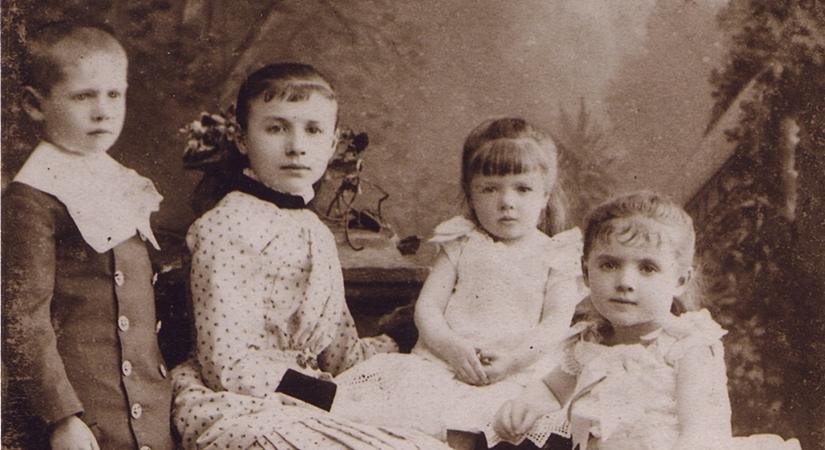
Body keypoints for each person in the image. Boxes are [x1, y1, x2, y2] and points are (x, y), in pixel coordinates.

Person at [170, 62, 449, 450]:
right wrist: (332, 398)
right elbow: (228, 368)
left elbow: (340, 355)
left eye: (313, 130)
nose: (297, 146)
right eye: (276, 127)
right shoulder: (226, 227)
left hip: (303, 397)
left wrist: (406, 333)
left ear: (332, 144)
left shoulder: (313, 231)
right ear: (241, 138)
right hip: (237, 406)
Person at [332, 118, 587, 444]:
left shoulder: (556, 254)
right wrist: (451, 348)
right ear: (470, 194)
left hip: (517, 371)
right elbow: (428, 308)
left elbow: (555, 323)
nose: (507, 202)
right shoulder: (461, 243)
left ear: (545, 195)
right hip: (444, 365)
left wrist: (512, 361)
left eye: (522, 189)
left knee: (493, 427)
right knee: (403, 422)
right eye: (490, 189)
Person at [490, 191, 802, 450]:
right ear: (586, 272)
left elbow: (702, 431)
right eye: (609, 265)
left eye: (648, 268)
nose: (625, 281)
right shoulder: (590, 342)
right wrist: (525, 405)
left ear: (680, 280)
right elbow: (551, 389)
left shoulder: (687, 346)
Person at [2, 23, 174, 450]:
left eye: (114, 94)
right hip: (82, 420)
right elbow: (23, 321)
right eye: (84, 96)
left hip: (144, 412)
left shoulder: (122, 183)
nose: (103, 111)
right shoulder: (33, 198)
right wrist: (62, 417)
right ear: (34, 105)